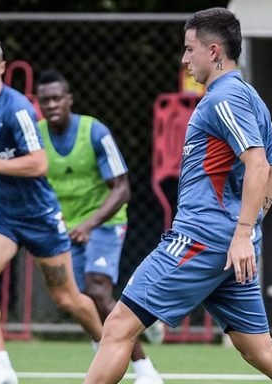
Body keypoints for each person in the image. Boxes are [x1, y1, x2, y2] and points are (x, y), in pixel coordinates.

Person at [84, 8, 272, 384]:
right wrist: (245, 232)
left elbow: (257, 166)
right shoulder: (251, 97)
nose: (185, 59)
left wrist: (240, 233)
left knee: (118, 326)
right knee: (261, 349)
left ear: (215, 51)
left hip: (200, 240)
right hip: (226, 246)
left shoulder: (225, 98)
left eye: (190, 50)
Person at [0, 36, 103, 384]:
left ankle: (106, 341)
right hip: (0, 214)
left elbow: (38, 164)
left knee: (66, 297)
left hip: (39, 215)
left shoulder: (17, 107)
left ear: (2, 68)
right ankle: (2, 367)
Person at [34, 70, 163, 384]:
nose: (51, 105)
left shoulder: (94, 132)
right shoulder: (36, 136)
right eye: (45, 100)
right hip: (64, 230)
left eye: (57, 98)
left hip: (105, 224)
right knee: (77, 299)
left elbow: (122, 188)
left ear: (69, 100)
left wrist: (90, 224)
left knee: (97, 289)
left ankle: (146, 371)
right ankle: (132, 329)